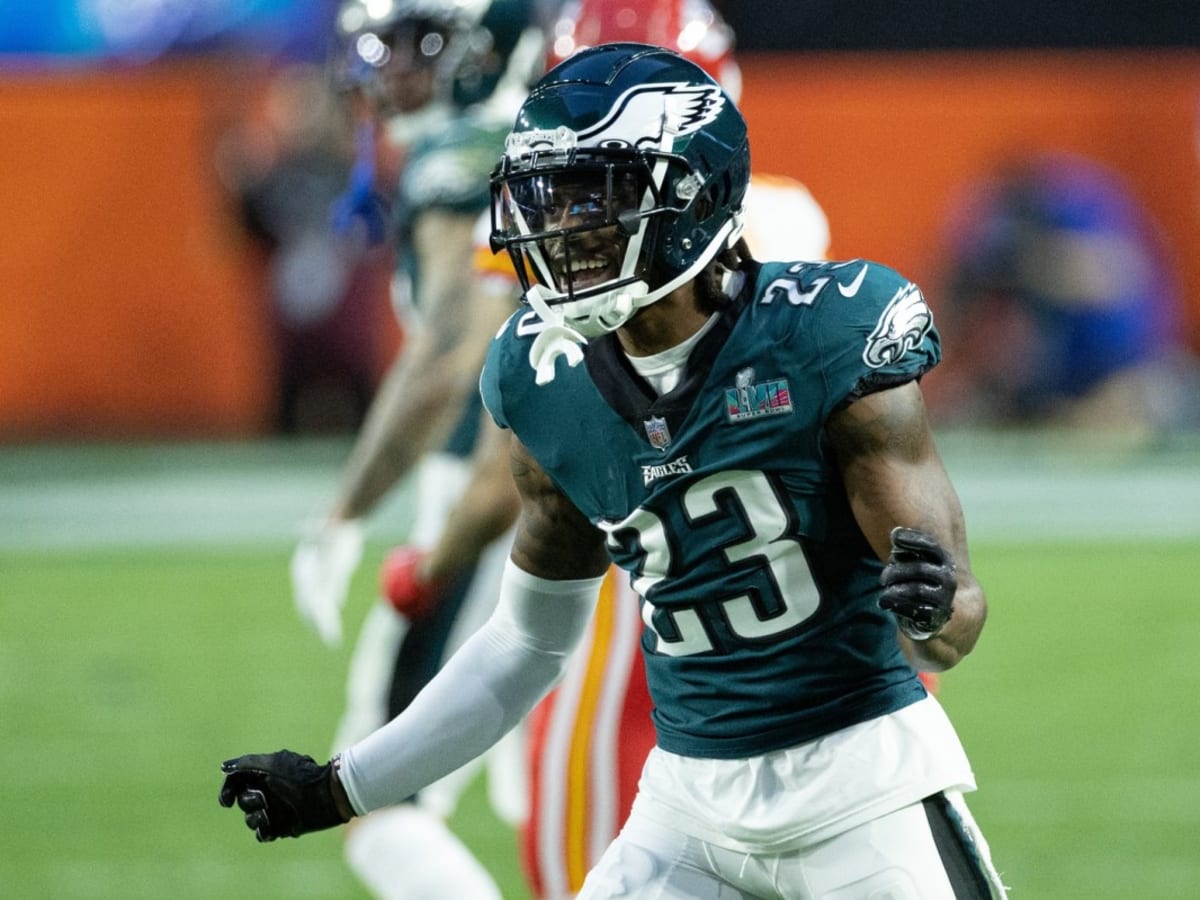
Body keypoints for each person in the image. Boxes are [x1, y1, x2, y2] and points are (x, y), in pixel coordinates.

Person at [221, 42, 1007, 898]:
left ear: (691, 196)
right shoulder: (542, 378)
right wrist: (343, 787)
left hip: (862, 791)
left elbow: (953, 617)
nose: (562, 226)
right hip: (689, 807)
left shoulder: (825, 337)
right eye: (546, 196)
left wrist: (932, 610)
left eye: (594, 194)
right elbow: (524, 644)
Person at [287, 2, 545, 897]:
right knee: (563, 802)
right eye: (386, 43)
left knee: (374, 798)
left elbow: (445, 357)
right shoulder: (554, 134)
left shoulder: (465, 157)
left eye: (422, 43)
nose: (392, 67)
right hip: (588, 501)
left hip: (496, 504)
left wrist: (343, 512)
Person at [929, 150, 1200, 433]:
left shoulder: (1080, 211)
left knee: (1152, 397)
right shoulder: (988, 239)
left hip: (1128, 380)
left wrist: (1034, 261)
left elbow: (1117, 272)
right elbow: (949, 315)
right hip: (1035, 400)